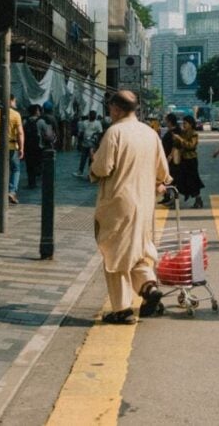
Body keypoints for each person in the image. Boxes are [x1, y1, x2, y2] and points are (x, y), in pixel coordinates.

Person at [89, 90, 171, 324]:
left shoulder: (114, 133)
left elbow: (103, 168)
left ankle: (122, 309)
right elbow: (163, 172)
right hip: (145, 204)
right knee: (139, 249)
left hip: (118, 203)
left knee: (114, 254)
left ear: (116, 109)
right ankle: (148, 288)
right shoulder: (149, 133)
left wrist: (93, 163)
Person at [0, 95, 24, 204]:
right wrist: (21, 148)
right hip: (12, 147)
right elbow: (20, 133)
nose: (15, 103)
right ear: (10, 101)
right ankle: (11, 191)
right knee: (15, 169)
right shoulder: (16, 115)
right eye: (14, 101)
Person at [173, 115, 205, 208]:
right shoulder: (183, 133)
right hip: (183, 159)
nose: (184, 125)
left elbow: (191, 145)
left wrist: (180, 139)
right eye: (183, 123)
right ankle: (176, 200)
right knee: (180, 179)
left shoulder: (194, 134)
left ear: (190, 124)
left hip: (191, 159)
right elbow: (178, 145)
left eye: (185, 123)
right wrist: (176, 140)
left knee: (193, 180)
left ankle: (198, 199)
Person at [158, 113, 181, 206]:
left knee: (171, 179)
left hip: (173, 159)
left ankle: (174, 199)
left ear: (170, 122)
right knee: (166, 178)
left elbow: (175, 146)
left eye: (166, 120)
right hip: (168, 157)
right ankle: (167, 196)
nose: (165, 122)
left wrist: (169, 157)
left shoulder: (176, 131)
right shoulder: (170, 130)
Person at [74, 110, 103, 178]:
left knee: (90, 159)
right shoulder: (85, 122)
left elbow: (100, 133)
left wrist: (98, 142)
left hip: (93, 144)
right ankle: (81, 171)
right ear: (89, 116)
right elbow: (81, 132)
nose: (92, 116)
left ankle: (89, 173)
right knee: (83, 158)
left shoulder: (98, 123)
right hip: (85, 144)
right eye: (91, 115)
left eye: (93, 115)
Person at [23, 104, 44, 189]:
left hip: (27, 146)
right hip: (38, 146)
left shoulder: (25, 121)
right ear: (36, 111)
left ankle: (31, 182)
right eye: (39, 110)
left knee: (29, 165)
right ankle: (39, 175)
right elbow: (47, 133)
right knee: (39, 163)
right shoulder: (41, 121)